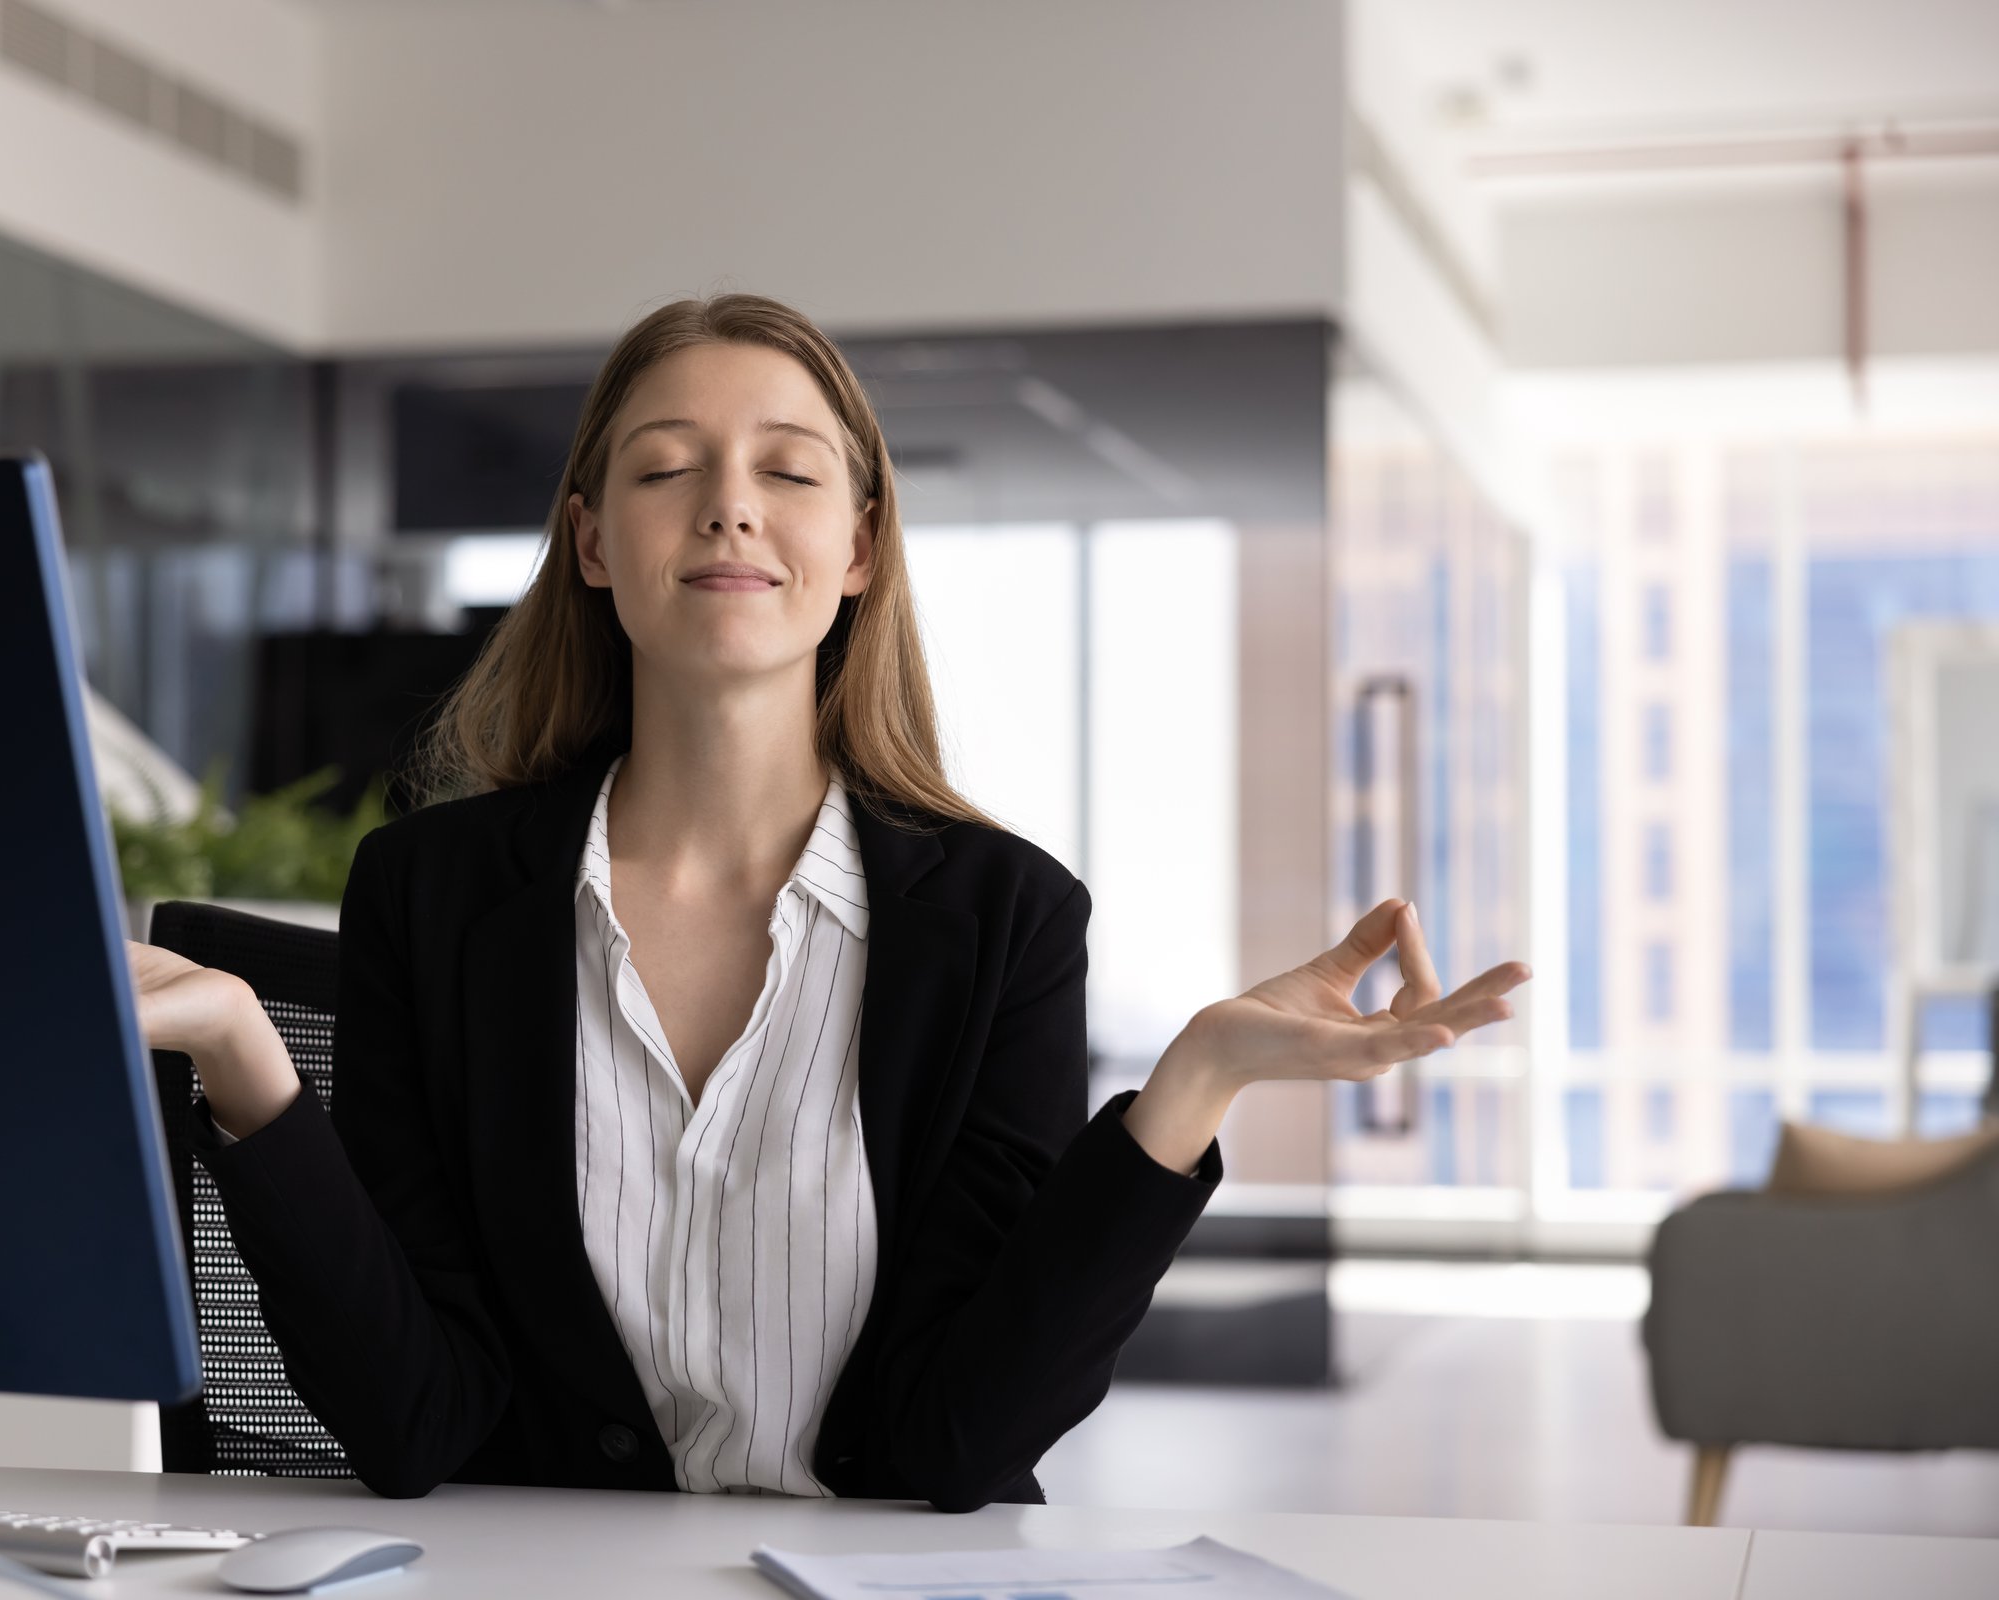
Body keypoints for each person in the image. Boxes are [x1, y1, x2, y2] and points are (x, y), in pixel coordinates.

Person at [127, 293, 1527, 1512]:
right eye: (667, 467)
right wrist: (248, 1062)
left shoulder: (1006, 919)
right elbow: (412, 1423)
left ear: (859, 549)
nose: (729, 504)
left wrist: (1199, 1080)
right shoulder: (430, 895)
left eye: (787, 471)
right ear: (594, 543)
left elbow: (965, 1442)